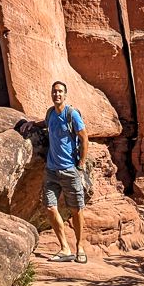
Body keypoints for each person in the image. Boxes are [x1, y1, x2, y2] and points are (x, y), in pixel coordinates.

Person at [22, 80, 89, 263]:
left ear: (65, 95)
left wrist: (81, 165)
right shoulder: (51, 112)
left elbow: (84, 138)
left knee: (76, 210)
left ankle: (80, 247)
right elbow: (46, 123)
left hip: (70, 170)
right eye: (54, 92)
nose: (57, 94)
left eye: (60, 92)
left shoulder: (72, 114)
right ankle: (65, 248)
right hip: (51, 170)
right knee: (50, 208)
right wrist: (32, 124)